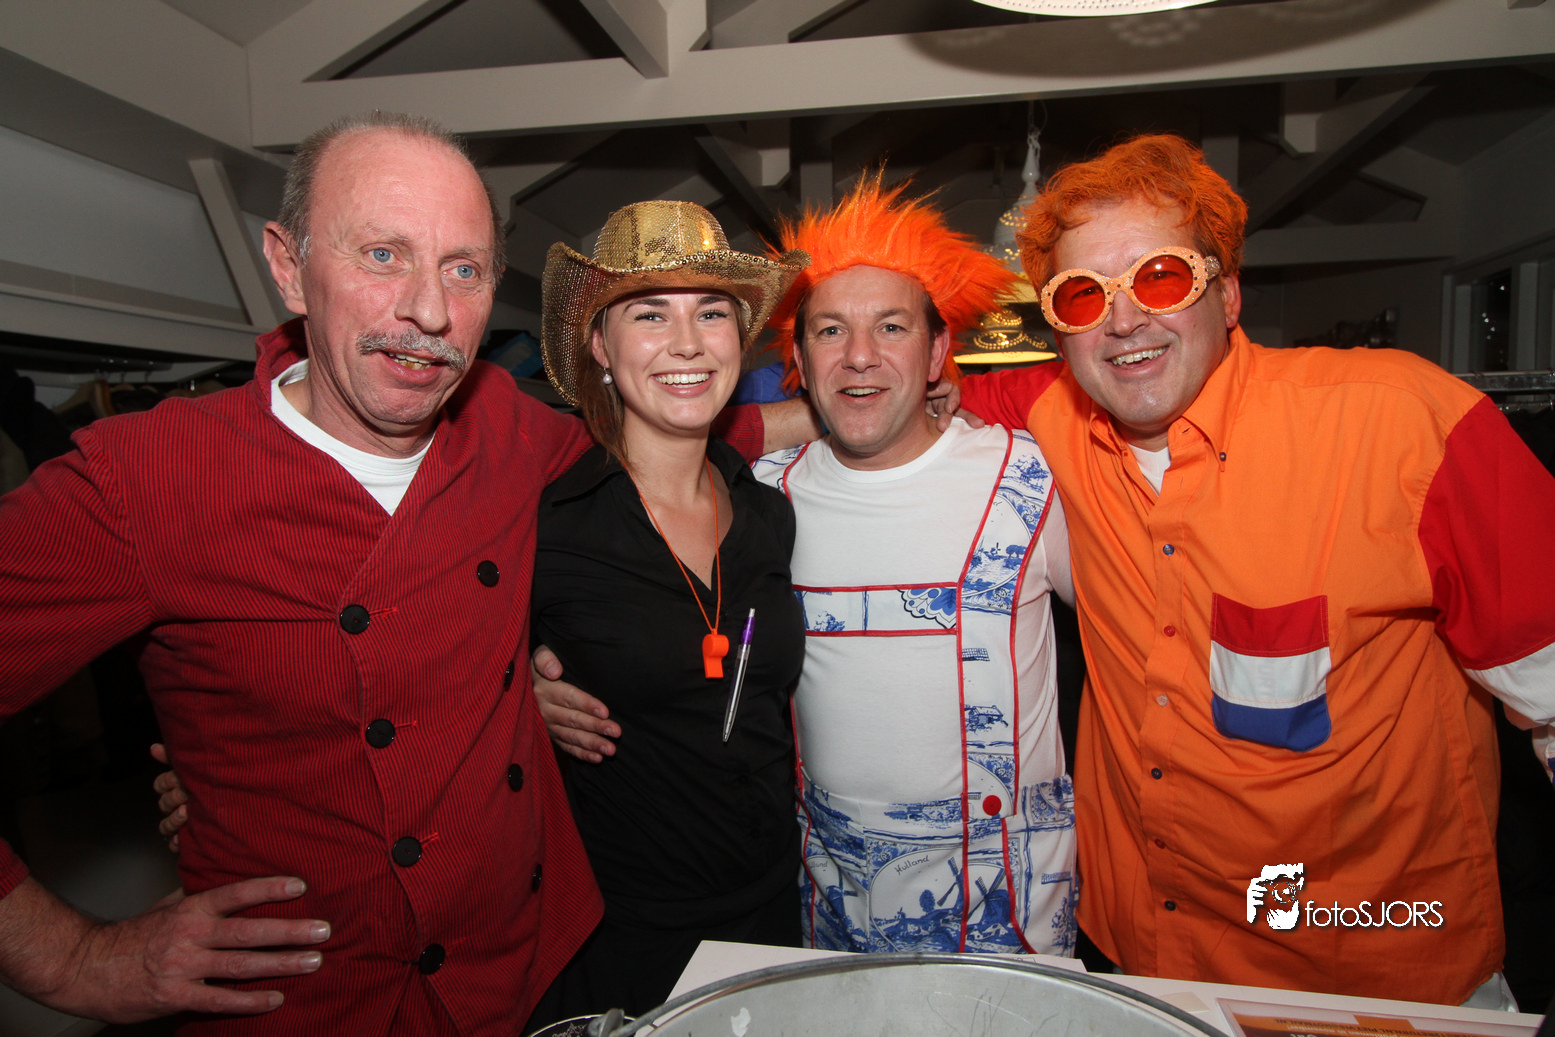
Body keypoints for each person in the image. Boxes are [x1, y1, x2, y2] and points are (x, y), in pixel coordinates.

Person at [0, 112, 769, 1034]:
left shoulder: (513, 430)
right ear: (288, 266)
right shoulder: (142, 480)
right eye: (381, 255)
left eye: (464, 270)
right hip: (307, 1009)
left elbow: (671, 432)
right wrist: (73, 959)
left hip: (536, 981)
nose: (430, 312)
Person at [954, 133, 1555, 1005]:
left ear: (1227, 293)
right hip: (1142, 965)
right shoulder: (1053, 418)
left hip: (1369, 987)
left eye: (1160, 278)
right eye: (1083, 295)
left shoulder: (1402, 425)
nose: (1122, 321)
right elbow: (892, 395)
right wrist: (743, 428)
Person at [538, 176, 1079, 957]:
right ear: (796, 356)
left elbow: (1141, 644)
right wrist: (522, 684)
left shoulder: (1032, 477)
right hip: (814, 912)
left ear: (937, 351)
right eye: (829, 330)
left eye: (891, 327)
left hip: (1008, 914)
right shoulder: (771, 491)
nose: (859, 355)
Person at [523, 201, 808, 1025]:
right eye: (649, 314)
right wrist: (518, 698)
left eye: (711, 313)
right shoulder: (551, 524)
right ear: (599, 346)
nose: (687, 342)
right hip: (622, 934)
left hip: (771, 910)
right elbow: (438, 673)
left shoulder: (767, 511)